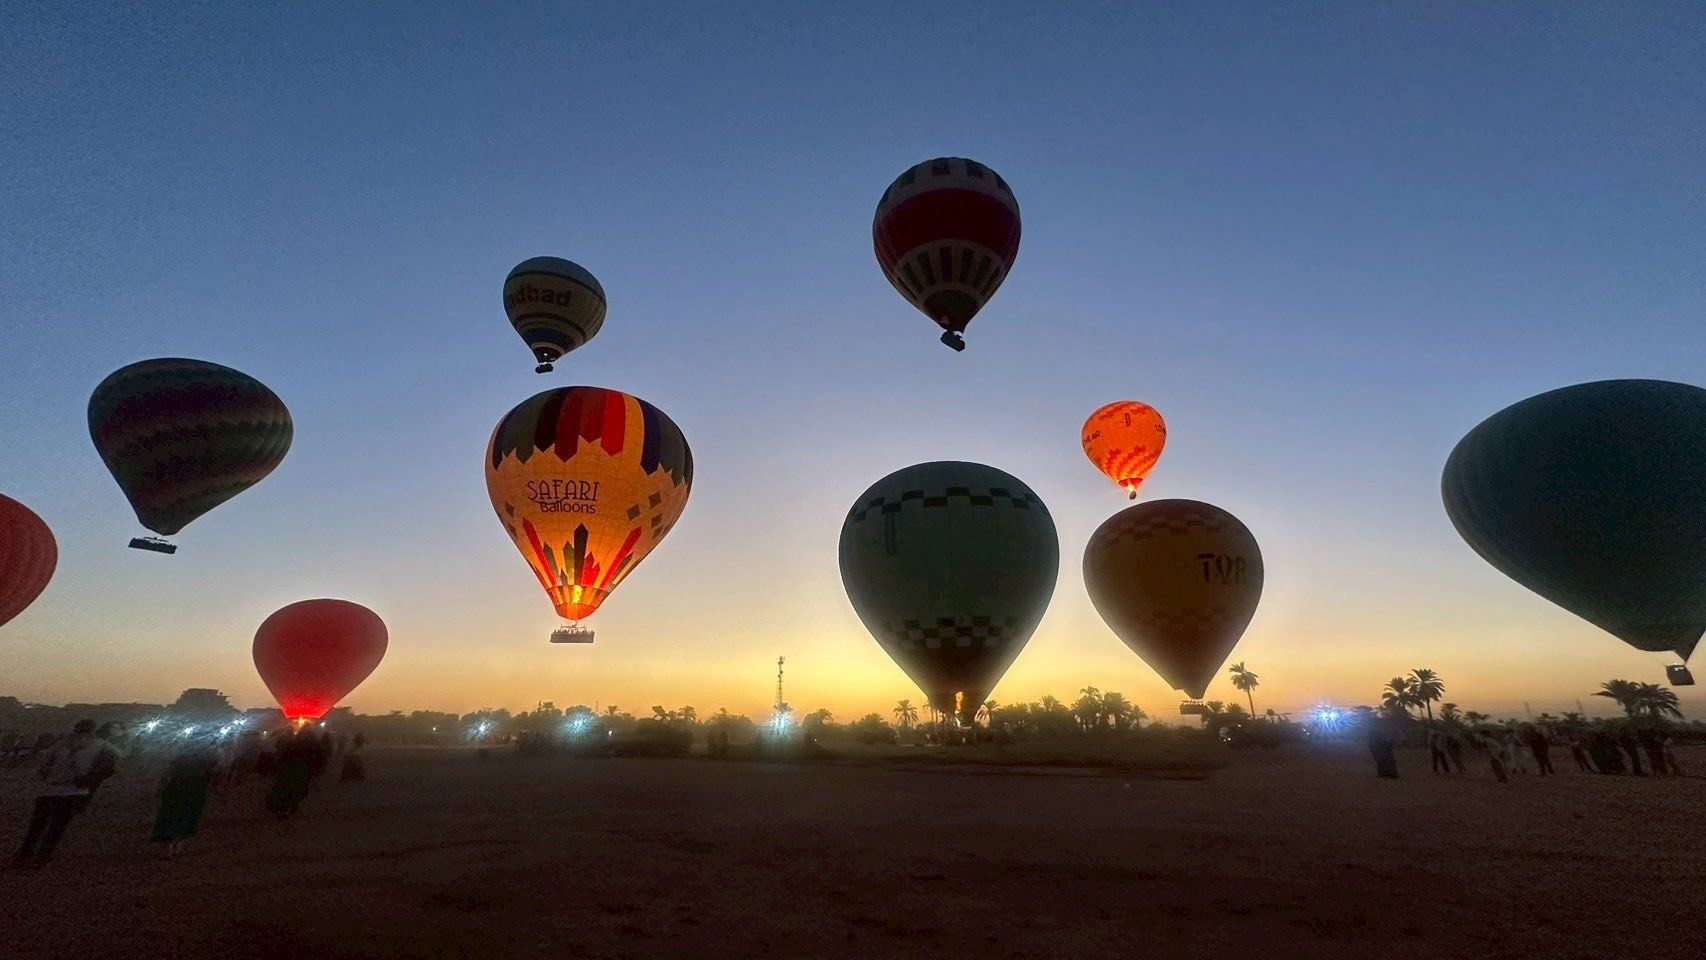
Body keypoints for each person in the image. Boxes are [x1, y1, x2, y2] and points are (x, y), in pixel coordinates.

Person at [11, 720, 106, 867]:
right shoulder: (100, 745)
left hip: (52, 788)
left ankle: (25, 854)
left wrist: (51, 776)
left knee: (37, 825)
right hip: (74, 790)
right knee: (57, 826)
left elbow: (44, 765)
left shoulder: (61, 743)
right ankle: (42, 856)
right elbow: (107, 768)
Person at [151, 735, 221, 856]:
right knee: (182, 815)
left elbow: (168, 772)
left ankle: (172, 845)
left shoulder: (187, 755)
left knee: (176, 815)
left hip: (185, 787)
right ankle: (174, 845)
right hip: (190, 787)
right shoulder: (205, 756)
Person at [265, 727, 327, 818]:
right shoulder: (315, 744)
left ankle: (281, 808)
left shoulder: (293, 743)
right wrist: (317, 771)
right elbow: (320, 759)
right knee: (298, 790)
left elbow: (284, 755)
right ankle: (290, 808)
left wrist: (278, 767)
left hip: (289, 769)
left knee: (285, 788)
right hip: (305, 771)